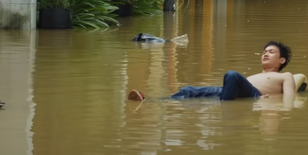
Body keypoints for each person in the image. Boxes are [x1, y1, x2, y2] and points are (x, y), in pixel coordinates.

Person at [127, 41, 297, 102]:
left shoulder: (285, 76)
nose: (265, 53)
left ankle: (224, 110)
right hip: (232, 91)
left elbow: (289, 99)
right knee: (187, 90)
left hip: (254, 95)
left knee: (232, 75)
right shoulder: (255, 75)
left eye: (271, 52)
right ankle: (149, 101)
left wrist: (263, 100)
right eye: (264, 51)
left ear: (281, 60)